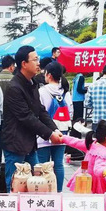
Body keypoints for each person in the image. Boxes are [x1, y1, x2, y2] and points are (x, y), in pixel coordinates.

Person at [1, 45, 63, 190]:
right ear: (24, 64)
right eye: (35, 60)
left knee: (35, 185)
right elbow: (26, 117)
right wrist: (49, 135)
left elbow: (40, 110)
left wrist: (54, 129)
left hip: (29, 144)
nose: (38, 63)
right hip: (15, 144)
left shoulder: (32, 83)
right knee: (16, 186)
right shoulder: (14, 87)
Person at [37, 61, 72, 192]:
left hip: (44, 132)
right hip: (62, 132)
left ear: (49, 75)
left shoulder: (41, 91)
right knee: (58, 164)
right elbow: (70, 112)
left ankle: (43, 192)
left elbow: (38, 112)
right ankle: (58, 192)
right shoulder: (65, 92)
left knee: (43, 165)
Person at [64, 120, 106, 194]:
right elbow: (98, 169)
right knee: (92, 199)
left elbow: (75, 142)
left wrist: (63, 138)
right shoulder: (102, 152)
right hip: (91, 181)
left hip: (82, 177)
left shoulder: (92, 143)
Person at [0, 55, 16, 173]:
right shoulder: (15, 79)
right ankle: (9, 166)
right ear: (11, 66)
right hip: (12, 117)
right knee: (10, 142)